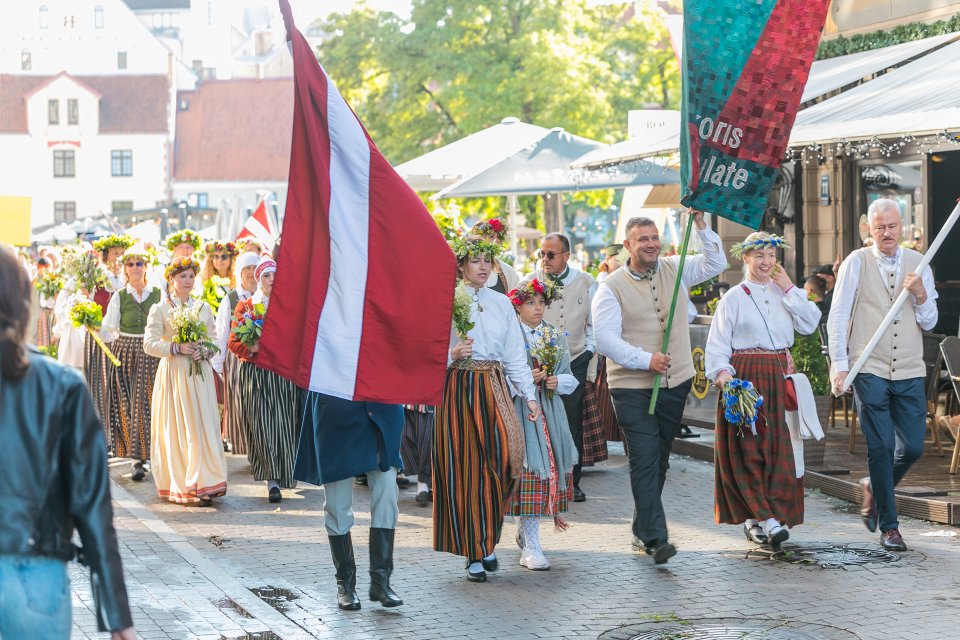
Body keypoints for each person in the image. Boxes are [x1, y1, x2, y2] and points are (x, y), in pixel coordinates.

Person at [0, 246, 135, 639]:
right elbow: (93, 507)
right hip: (35, 575)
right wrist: (117, 617)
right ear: (26, 303)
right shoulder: (62, 385)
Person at [592, 211, 725, 563]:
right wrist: (644, 359)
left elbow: (717, 260)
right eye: (642, 239)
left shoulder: (675, 268)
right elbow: (604, 338)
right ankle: (655, 537)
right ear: (628, 245)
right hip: (632, 386)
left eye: (654, 238)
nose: (651, 245)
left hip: (675, 381)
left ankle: (642, 526)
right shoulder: (610, 288)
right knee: (645, 458)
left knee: (660, 458)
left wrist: (700, 225)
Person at [827, 198, 938, 552]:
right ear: (869, 230)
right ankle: (890, 527)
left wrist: (920, 295)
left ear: (902, 227)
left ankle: (875, 487)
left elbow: (930, 321)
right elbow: (839, 314)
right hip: (868, 366)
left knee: (914, 446)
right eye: (879, 228)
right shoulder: (856, 263)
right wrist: (840, 365)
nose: (886, 233)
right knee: (881, 446)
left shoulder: (920, 264)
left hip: (908, 367)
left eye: (891, 227)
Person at [435, 235, 539, 582]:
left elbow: (514, 355)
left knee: (505, 459)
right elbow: (427, 347)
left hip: (493, 386)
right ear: (462, 265)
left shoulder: (501, 303)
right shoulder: (446, 299)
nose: (483, 267)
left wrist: (530, 397)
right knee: (466, 469)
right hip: (459, 387)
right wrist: (451, 355)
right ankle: (474, 551)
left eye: (487, 261)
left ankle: (487, 536)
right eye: (475, 260)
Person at [706, 233, 821, 547]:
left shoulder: (784, 292)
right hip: (746, 380)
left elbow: (811, 323)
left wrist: (790, 288)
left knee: (776, 450)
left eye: (771, 255)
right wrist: (726, 379)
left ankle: (757, 517)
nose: (766, 262)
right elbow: (716, 348)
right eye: (759, 256)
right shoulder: (733, 297)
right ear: (745, 258)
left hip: (778, 376)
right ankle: (767, 520)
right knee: (750, 451)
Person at [295, 400, 405, 608]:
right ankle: (345, 584)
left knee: (387, 489)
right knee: (337, 502)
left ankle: (381, 582)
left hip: (382, 403)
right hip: (336, 405)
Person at [143, 257, 228, 506]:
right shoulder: (160, 309)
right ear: (172, 279)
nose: (188, 281)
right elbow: (149, 344)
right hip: (174, 374)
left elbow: (214, 340)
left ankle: (207, 480)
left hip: (199, 374)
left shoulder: (202, 308)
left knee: (204, 427)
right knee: (182, 428)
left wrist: (205, 351)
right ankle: (187, 482)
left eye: (191, 276)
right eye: (183, 276)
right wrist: (177, 347)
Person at [507, 278, 578, 570]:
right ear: (518, 306)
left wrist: (555, 380)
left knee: (545, 472)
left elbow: (569, 375)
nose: (537, 308)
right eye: (530, 303)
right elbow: (500, 371)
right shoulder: (510, 334)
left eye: (541, 303)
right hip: (520, 409)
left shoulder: (554, 335)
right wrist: (523, 381)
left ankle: (531, 538)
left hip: (548, 408)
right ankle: (529, 540)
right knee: (527, 471)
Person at [520, 232, 596, 502]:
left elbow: (593, 324)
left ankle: (571, 480)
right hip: (535, 365)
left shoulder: (587, 282)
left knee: (571, 420)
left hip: (574, 359)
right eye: (541, 254)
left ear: (566, 256)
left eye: (550, 254)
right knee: (538, 418)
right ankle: (542, 477)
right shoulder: (528, 282)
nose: (544, 259)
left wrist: (588, 352)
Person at [227, 257, 301, 503]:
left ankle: (286, 472)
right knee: (261, 424)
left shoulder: (289, 304)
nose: (271, 280)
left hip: (282, 373)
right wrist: (252, 346)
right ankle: (272, 480)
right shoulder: (246, 306)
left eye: (274, 275)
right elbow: (232, 342)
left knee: (284, 422)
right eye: (266, 276)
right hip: (256, 373)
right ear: (258, 279)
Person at [100, 244, 163, 482]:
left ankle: (149, 456)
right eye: (130, 264)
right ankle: (136, 459)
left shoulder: (158, 293)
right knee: (128, 405)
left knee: (149, 403)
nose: (135, 267)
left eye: (139, 263)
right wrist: (91, 323)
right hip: (125, 351)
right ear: (125, 269)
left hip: (151, 351)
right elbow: (109, 327)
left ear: (146, 266)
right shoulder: (119, 296)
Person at [213, 251, 260, 454]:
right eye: (246, 269)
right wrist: (217, 367)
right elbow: (221, 334)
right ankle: (249, 448)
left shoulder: (267, 294)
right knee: (242, 404)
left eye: (254, 268)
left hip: (263, 358)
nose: (251, 273)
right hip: (236, 359)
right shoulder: (230, 299)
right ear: (239, 273)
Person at [471, 217, 519, 294]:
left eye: (498, 237)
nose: (496, 240)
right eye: (491, 236)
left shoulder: (508, 271)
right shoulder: (467, 269)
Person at [400, 404, 435, 505]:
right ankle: (427, 483)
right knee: (405, 435)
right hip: (407, 397)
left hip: (431, 398)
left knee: (427, 438)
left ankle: (424, 483)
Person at [198, 240, 238, 314]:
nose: (219, 260)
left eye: (224, 256)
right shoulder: (205, 280)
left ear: (231, 259)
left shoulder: (238, 280)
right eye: (216, 256)